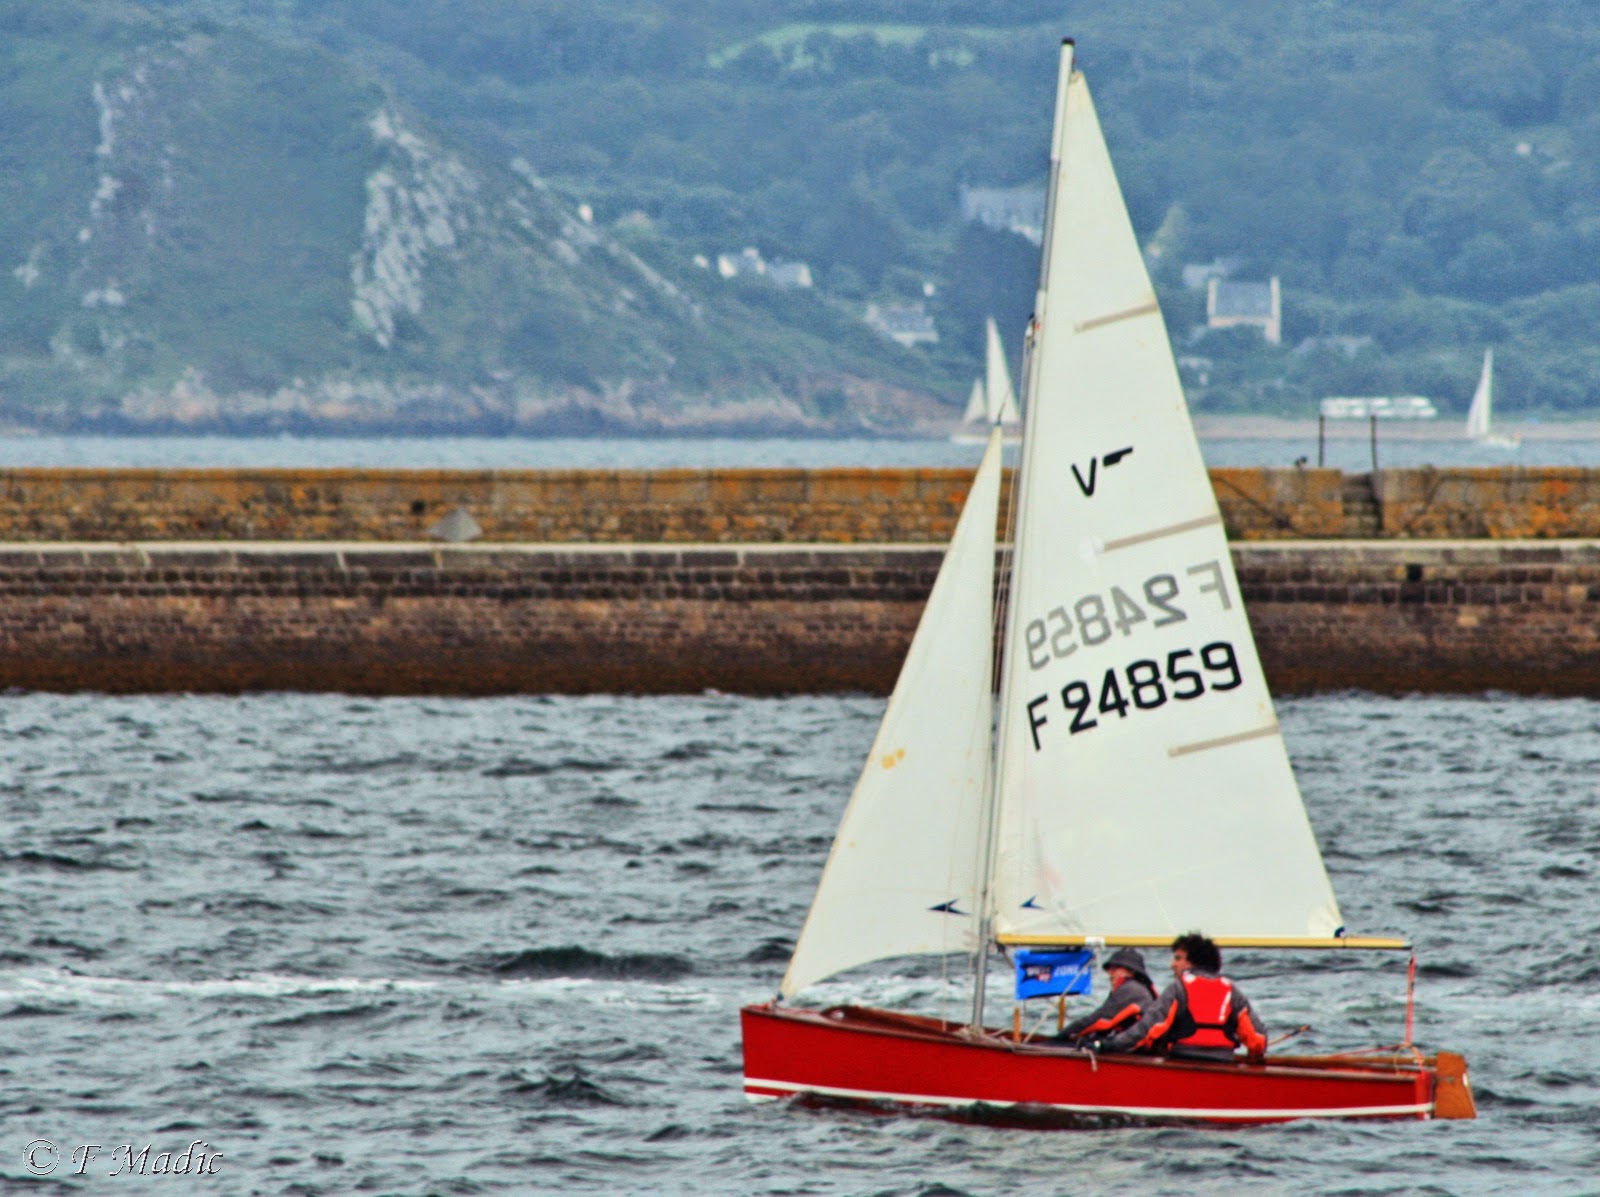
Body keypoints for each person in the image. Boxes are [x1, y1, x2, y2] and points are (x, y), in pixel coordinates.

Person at [1099, 933, 1268, 1062]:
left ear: (1194, 962)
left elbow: (1147, 1029)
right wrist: (1253, 1060)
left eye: (1178, 958)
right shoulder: (1232, 990)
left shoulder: (1178, 988)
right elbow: (1257, 1040)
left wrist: (1109, 1045)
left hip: (1183, 1059)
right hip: (1223, 1060)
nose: (1173, 964)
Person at [1052, 947, 1156, 1046]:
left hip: (1136, 1050)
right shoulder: (1139, 988)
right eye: (1110, 968)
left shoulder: (1131, 989)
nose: (1110, 973)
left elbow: (1098, 1019)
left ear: (1131, 971)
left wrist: (1063, 1035)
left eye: (1116, 968)